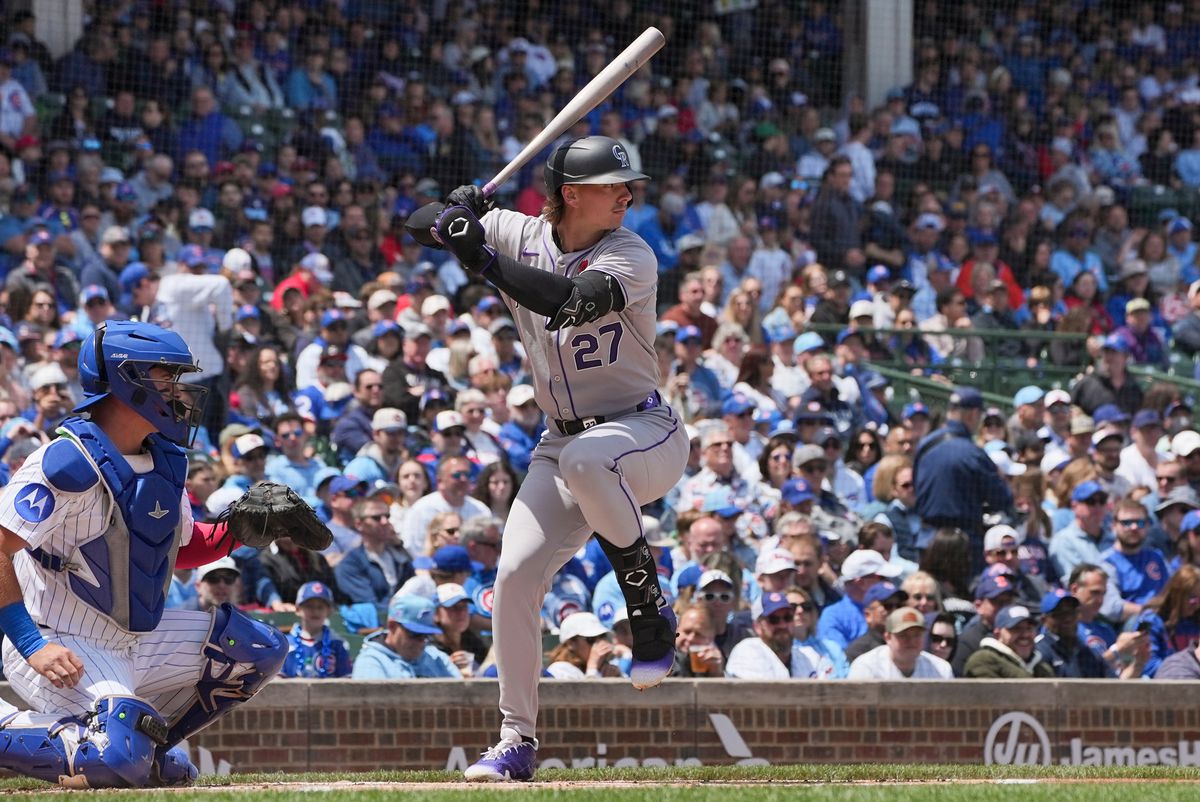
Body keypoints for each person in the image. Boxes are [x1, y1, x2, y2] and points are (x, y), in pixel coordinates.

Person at [432, 137, 690, 782]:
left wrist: (480, 256)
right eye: (613, 185)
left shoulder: (630, 252)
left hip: (642, 433)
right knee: (513, 580)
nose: (628, 194)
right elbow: (419, 221)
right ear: (573, 193)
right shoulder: (519, 231)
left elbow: (565, 303)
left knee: (586, 461)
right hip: (561, 440)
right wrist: (455, 210)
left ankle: (646, 606)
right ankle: (516, 739)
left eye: (628, 184)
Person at [0, 321, 289, 788]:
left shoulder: (164, 457)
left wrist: (240, 529)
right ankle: (115, 749)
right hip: (62, 643)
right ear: (125, 379)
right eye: (165, 376)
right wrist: (32, 646)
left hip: (132, 638)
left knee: (256, 649)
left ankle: (145, 750)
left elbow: (176, 547)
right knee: (113, 758)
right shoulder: (66, 461)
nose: (178, 390)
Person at [913, 387, 1012, 570]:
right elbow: (1002, 499)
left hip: (928, 539)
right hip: (962, 544)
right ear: (974, 414)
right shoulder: (973, 453)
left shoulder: (925, 445)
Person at [350, 594, 460, 679]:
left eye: (426, 635)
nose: (421, 642)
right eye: (414, 634)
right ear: (392, 626)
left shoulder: (437, 657)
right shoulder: (372, 662)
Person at [725, 591, 815, 679]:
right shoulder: (746, 651)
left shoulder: (807, 656)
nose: (782, 625)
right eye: (774, 619)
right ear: (757, 627)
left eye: (787, 617)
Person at [848, 606, 954, 679]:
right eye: (903, 635)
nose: (911, 641)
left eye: (917, 635)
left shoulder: (941, 669)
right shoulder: (867, 666)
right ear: (888, 637)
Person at [279, 582, 352, 679]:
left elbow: (346, 680)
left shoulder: (337, 644)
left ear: (329, 611)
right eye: (309, 606)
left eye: (320, 607)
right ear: (297, 609)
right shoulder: (285, 644)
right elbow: (277, 679)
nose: (315, 611)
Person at [963, 604, 1056, 678]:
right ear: (997, 634)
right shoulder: (983, 660)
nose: (1025, 635)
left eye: (1029, 628)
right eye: (1016, 629)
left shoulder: (1042, 668)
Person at [544, 612, 622, 679]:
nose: (598, 645)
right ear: (571, 643)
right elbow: (586, 696)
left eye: (602, 637)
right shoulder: (560, 670)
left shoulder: (606, 668)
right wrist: (592, 669)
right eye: (591, 640)